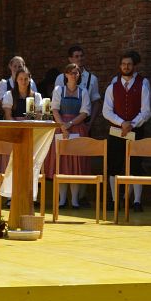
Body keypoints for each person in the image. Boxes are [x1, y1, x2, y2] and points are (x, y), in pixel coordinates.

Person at [103, 51, 151, 212]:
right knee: (114, 165)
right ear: (120, 66)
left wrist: (132, 124)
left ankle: (136, 201)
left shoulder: (143, 84)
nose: (126, 67)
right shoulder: (113, 86)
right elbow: (106, 111)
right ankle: (114, 200)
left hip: (136, 131)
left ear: (134, 65)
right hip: (116, 132)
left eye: (129, 64)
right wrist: (122, 123)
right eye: (123, 64)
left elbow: (146, 111)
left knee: (136, 165)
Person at [51, 63, 92, 209]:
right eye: (71, 72)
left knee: (76, 164)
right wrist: (62, 125)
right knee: (62, 164)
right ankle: (62, 200)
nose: (73, 75)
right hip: (61, 129)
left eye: (76, 73)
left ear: (79, 75)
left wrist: (70, 124)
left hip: (77, 128)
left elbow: (85, 112)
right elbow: (55, 110)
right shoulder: (58, 90)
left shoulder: (83, 92)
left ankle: (74, 200)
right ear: (66, 74)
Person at [1, 67, 43, 205]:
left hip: (31, 133)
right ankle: (11, 195)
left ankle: (29, 195)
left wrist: (30, 123)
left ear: (29, 79)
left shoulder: (36, 96)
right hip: (15, 132)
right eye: (20, 79)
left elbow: (39, 116)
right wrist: (19, 128)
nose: (23, 81)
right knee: (13, 164)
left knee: (31, 164)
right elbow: (8, 115)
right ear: (16, 80)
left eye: (26, 79)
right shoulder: (9, 95)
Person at [54, 46, 102, 133]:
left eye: (81, 56)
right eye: (76, 56)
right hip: (62, 125)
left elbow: (96, 103)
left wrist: (90, 124)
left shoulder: (92, 79)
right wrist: (62, 125)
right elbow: (55, 105)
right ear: (70, 59)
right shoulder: (60, 78)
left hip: (84, 123)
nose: (80, 58)